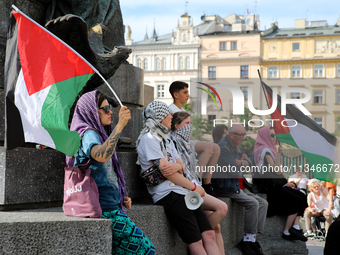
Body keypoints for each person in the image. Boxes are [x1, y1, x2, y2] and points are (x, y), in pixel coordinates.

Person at [69, 90, 155, 254]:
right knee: (147, 250)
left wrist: (121, 196)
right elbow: (100, 155)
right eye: (105, 108)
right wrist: (120, 126)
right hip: (103, 209)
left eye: (110, 108)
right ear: (92, 111)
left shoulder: (99, 133)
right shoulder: (88, 133)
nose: (111, 112)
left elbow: (106, 172)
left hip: (111, 205)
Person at [136, 101, 220, 254]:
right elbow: (168, 172)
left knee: (209, 234)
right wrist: (194, 187)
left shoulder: (167, 138)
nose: (171, 116)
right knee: (196, 242)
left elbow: (182, 167)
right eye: (168, 114)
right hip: (169, 194)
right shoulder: (149, 138)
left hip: (184, 192)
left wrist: (177, 166)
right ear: (159, 117)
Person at [170, 111, 228, 255]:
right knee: (222, 208)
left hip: (194, 186)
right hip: (188, 189)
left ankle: (201, 237)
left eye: (191, 123)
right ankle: (199, 237)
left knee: (217, 228)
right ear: (177, 126)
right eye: (187, 123)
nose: (190, 127)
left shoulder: (186, 143)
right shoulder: (172, 142)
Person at [212, 124, 267, 255]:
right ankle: (247, 240)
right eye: (241, 135)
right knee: (253, 203)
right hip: (227, 186)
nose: (243, 138)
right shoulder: (223, 147)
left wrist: (240, 162)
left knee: (264, 203)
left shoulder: (235, 144)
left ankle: (253, 238)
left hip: (238, 185)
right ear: (232, 135)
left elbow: (250, 161)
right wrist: (242, 163)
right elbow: (233, 171)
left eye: (244, 134)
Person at [253, 126, 308, 242]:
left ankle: (296, 227)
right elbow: (275, 170)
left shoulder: (268, 149)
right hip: (269, 188)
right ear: (266, 136)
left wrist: (284, 183)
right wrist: (279, 154)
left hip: (275, 185)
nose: (274, 138)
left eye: (275, 135)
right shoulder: (265, 150)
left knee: (302, 195)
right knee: (297, 200)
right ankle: (287, 231)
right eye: (272, 135)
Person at [169, 81, 220, 197]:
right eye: (185, 92)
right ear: (176, 95)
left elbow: (188, 135)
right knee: (208, 147)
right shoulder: (170, 110)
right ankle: (197, 181)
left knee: (216, 147)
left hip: (185, 140)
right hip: (177, 141)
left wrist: (200, 141)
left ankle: (207, 183)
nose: (188, 95)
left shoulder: (183, 111)